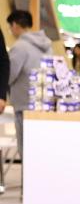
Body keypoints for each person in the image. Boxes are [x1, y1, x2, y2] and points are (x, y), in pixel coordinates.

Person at [6, 10, 52, 158]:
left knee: (25, 149)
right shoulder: (47, 45)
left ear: (15, 25)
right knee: (39, 149)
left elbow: (9, 74)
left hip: (24, 103)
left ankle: (27, 181)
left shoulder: (20, 47)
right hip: (43, 103)